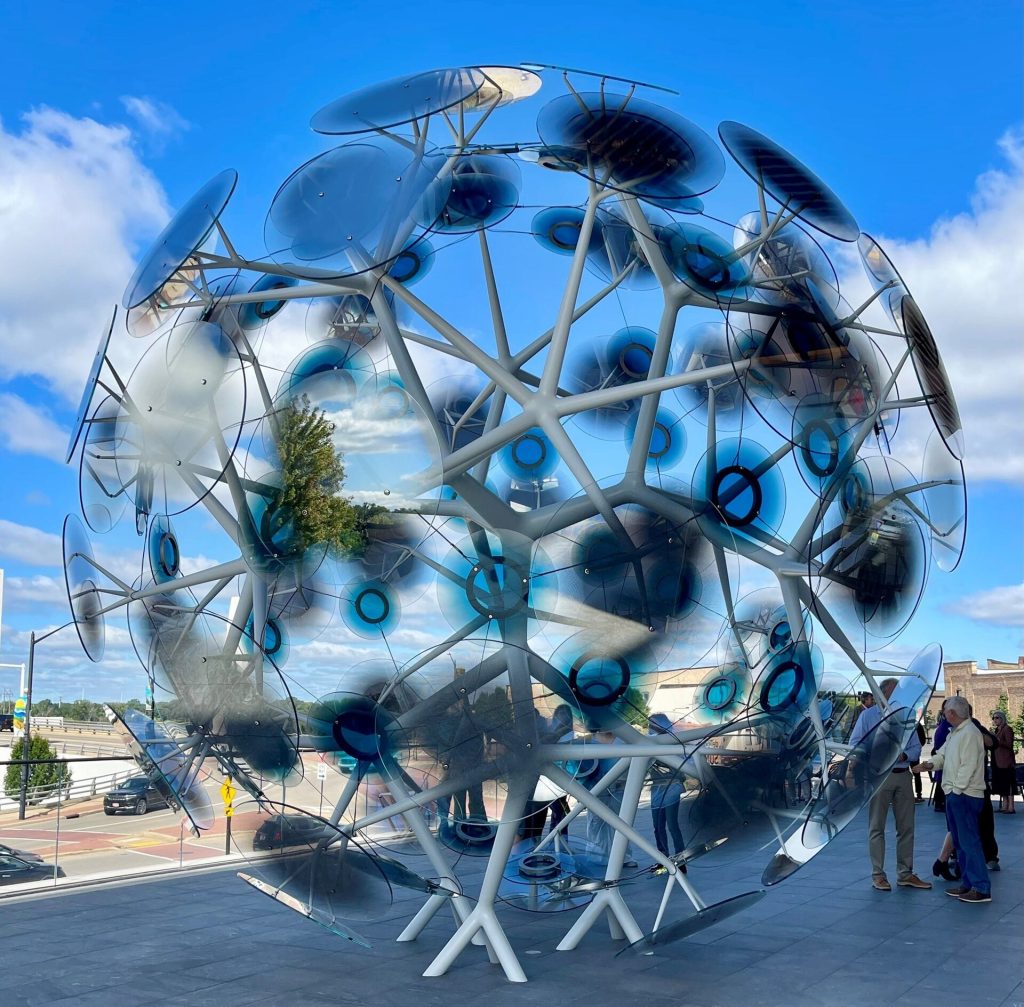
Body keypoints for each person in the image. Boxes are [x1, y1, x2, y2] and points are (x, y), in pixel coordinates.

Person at [849, 678, 931, 891]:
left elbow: (915, 747)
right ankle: (878, 874)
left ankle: (905, 873)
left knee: (906, 827)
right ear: (882, 694)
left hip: (903, 775)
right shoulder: (868, 716)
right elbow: (855, 743)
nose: (898, 697)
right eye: (893, 693)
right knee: (877, 826)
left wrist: (905, 754)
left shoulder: (907, 716)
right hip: (879, 776)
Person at [914, 695, 991, 903]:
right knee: (961, 843)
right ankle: (968, 884)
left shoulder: (969, 733)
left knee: (969, 842)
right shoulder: (956, 732)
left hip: (964, 795)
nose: (943, 712)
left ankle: (981, 888)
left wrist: (956, 791)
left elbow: (968, 765)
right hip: (957, 794)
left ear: (952, 713)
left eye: (945, 709)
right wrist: (930, 764)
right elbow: (943, 755)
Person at [647, 713, 685, 859]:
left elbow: (681, 764)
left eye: (654, 724)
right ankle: (663, 857)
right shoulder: (650, 741)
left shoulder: (673, 741)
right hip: (656, 788)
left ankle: (680, 857)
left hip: (672, 787)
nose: (651, 727)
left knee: (672, 825)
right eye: (650, 724)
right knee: (658, 826)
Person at [991, 711, 1016, 814]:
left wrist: (997, 739)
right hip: (998, 761)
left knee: (1008, 783)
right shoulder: (997, 730)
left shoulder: (1007, 729)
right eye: (994, 718)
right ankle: (1004, 806)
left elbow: (1009, 744)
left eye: (997, 718)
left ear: (1002, 718)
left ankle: (1011, 806)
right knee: (1002, 784)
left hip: (1006, 761)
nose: (995, 720)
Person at [931, 702, 951, 812]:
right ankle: (940, 802)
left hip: (943, 761)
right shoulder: (946, 727)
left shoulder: (944, 726)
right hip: (945, 762)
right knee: (943, 782)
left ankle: (939, 802)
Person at [912, 722, 927, 803]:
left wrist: (917, 747)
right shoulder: (917, 725)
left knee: (916, 773)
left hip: (912, 754)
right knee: (915, 774)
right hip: (909, 754)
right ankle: (918, 794)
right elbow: (923, 739)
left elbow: (922, 739)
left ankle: (918, 794)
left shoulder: (917, 725)